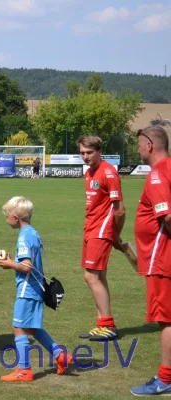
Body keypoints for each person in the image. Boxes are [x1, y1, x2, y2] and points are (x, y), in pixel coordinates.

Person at [0, 196, 73, 382]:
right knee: (31, 327)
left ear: (15, 217)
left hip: (27, 289)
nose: (5, 218)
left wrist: (9, 264)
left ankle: (24, 370)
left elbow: (27, 266)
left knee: (18, 327)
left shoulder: (24, 236)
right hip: (35, 288)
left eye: (7, 215)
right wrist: (12, 260)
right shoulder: (32, 232)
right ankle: (60, 355)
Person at [130, 126, 171, 396]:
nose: (137, 150)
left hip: (162, 258)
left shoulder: (157, 175)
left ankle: (165, 378)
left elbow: (167, 217)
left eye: (138, 145)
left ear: (148, 144)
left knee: (166, 319)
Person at [76, 135, 126, 341]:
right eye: (82, 153)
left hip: (101, 230)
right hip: (90, 228)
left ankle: (108, 325)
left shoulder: (108, 172)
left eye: (89, 152)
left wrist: (115, 235)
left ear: (99, 151)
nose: (85, 157)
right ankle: (102, 325)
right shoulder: (89, 173)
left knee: (91, 277)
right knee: (99, 277)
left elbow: (120, 210)